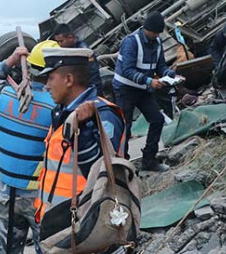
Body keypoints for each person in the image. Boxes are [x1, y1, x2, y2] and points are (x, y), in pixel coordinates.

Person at [0, 40, 58, 254]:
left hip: (7, 191)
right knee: (45, 247)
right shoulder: (56, 109)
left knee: (5, 247)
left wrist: (12, 59)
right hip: (40, 195)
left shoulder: (5, 96)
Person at [35, 47, 125, 221]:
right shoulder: (62, 113)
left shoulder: (102, 116)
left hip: (85, 221)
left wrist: (83, 133)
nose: (47, 86)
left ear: (69, 79)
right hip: (56, 219)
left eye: (51, 78)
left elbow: (104, 172)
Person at [112, 11, 177, 172]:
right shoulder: (131, 42)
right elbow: (127, 70)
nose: (155, 36)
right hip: (125, 89)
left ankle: (149, 160)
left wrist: (170, 75)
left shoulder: (157, 42)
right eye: (153, 32)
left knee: (157, 119)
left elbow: (160, 66)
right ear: (145, 28)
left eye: (157, 33)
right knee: (124, 128)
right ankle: (123, 165)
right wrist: (149, 81)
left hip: (143, 89)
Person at [51, 23, 102, 94]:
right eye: (58, 42)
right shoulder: (66, 49)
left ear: (70, 37)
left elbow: (94, 76)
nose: (59, 44)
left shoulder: (84, 52)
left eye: (61, 41)